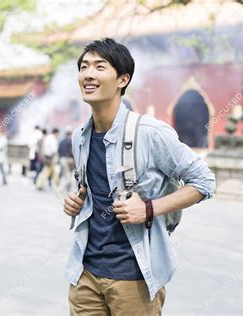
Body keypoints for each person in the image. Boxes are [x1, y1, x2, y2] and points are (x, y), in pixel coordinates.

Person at [63, 38, 215, 315]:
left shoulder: (149, 132)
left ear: (123, 79)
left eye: (99, 66)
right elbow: (95, 192)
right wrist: (76, 202)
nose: (88, 74)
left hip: (134, 276)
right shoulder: (79, 137)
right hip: (85, 273)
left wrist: (148, 208)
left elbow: (204, 182)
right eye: (84, 67)